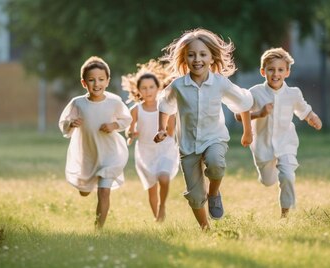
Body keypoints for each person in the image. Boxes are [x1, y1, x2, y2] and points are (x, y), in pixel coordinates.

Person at [154, 28, 253, 230]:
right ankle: (205, 229)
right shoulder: (178, 86)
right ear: (184, 58)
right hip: (188, 145)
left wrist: (248, 131)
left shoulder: (220, 83)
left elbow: (243, 102)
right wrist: (161, 128)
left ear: (211, 57)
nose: (196, 59)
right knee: (195, 196)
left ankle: (214, 193)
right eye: (191, 55)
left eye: (202, 54)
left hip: (213, 139)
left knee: (216, 163)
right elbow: (164, 105)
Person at [237, 48, 322, 218]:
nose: (275, 74)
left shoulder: (293, 93)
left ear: (287, 72)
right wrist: (259, 114)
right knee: (268, 181)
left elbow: (304, 110)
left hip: (286, 143)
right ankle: (270, 174)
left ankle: (285, 215)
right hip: (263, 145)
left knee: (288, 176)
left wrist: (313, 118)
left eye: (280, 70)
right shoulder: (254, 93)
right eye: (271, 69)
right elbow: (239, 114)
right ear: (263, 71)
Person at [59, 56, 132, 228]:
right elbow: (64, 123)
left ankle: (98, 228)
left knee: (104, 192)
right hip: (89, 154)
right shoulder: (78, 103)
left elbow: (126, 119)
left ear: (107, 81)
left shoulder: (114, 102)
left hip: (110, 154)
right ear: (84, 83)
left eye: (101, 79)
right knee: (84, 192)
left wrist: (114, 124)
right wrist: (71, 124)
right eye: (92, 80)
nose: (96, 84)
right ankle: (86, 185)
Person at [122, 59, 179, 222]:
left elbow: (170, 131)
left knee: (163, 177)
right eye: (144, 88)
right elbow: (129, 130)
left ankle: (163, 206)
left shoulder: (167, 107)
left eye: (151, 87)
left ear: (158, 87)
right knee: (151, 189)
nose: (148, 91)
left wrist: (164, 133)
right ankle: (158, 219)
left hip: (165, 148)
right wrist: (131, 134)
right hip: (145, 152)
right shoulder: (135, 110)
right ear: (138, 90)